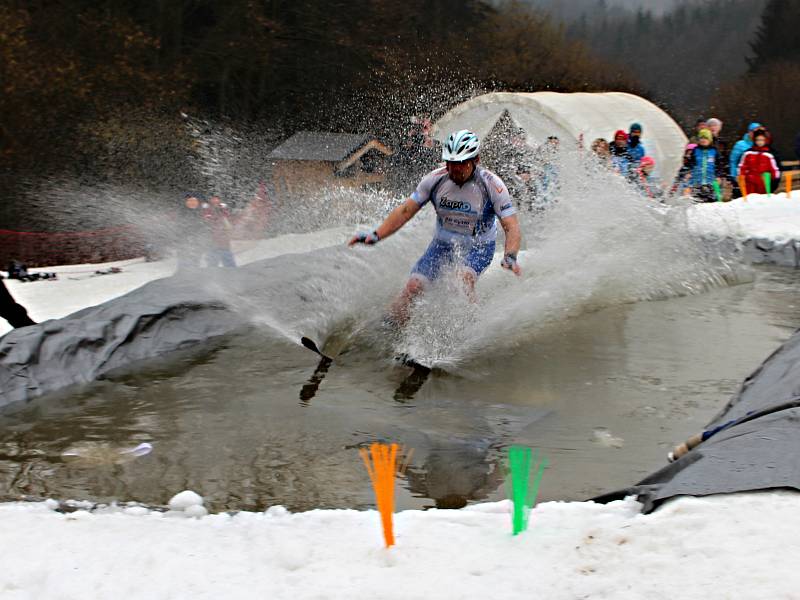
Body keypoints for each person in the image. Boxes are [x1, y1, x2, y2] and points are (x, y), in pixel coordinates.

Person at [348, 129, 521, 325]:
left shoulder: (492, 185)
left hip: (479, 246)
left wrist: (511, 255)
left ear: (476, 160)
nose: (454, 169)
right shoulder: (434, 179)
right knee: (413, 287)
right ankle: (389, 329)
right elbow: (406, 211)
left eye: (461, 163)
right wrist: (376, 234)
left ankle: (474, 327)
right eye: (450, 163)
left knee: (462, 280)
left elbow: (511, 225)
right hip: (442, 243)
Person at [738, 127, 781, 195]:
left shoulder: (770, 154)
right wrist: (742, 179)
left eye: (762, 140)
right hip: (750, 184)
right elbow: (742, 167)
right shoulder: (748, 153)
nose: (759, 142)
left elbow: (775, 171)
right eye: (757, 140)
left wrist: (773, 184)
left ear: (766, 140)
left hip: (764, 184)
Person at [684, 129, 720, 202]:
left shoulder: (714, 151)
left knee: (712, 200)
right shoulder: (695, 150)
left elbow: (719, 165)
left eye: (706, 138)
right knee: (696, 200)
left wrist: (718, 175)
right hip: (697, 181)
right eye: (701, 138)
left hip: (710, 181)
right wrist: (688, 172)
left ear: (710, 140)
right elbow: (690, 163)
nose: (703, 140)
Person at [729, 122, 762, 198]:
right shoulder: (740, 144)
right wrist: (734, 176)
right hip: (742, 178)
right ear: (749, 132)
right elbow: (733, 161)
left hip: (757, 179)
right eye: (754, 131)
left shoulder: (762, 144)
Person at [203, 196, 237, 268]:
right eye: (213, 199)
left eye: (216, 199)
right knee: (212, 262)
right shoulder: (208, 209)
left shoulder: (223, 209)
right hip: (213, 242)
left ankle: (231, 272)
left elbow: (228, 222)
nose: (215, 201)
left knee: (228, 261)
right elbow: (207, 220)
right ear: (210, 200)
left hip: (223, 242)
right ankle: (212, 272)